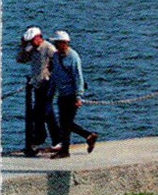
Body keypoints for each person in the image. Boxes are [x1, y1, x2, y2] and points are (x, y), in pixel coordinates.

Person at [47, 31, 97, 158]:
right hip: (62, 94)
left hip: (71, 94)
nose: (56, 45)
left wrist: (78, 96)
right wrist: (50, 93)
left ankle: (65, 150)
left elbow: (78, 77)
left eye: (58, 43)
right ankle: (88, 136)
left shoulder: (73, 57)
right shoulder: (56, 57)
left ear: (65, 43)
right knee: (65, 122)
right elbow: (54, 76)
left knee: (66, 123)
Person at [16, 26, 57, 156]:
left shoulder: (48, 48)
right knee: (43, 113)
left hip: (47, 83)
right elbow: (20, 59)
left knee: (44, 112)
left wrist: (51, 75)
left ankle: (41, 138)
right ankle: (52, 139)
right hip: (37, 85)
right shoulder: (31, 49)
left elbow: (58, 62)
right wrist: (23, 47)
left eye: (33, 40)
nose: (32, 44)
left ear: (39, 37)